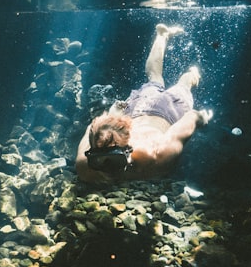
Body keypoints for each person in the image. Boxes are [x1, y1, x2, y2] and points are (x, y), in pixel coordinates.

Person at [76, 24, 213, 183]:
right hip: (137, 108)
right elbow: (92, 128)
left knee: (184, 84)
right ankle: (162, 35)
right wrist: (113, 116)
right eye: (97, 161)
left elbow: (192, 115)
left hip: (169, 110)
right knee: (154, 78)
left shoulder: (158, 156)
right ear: (90, 154)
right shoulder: (85, 165)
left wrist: (202, 118)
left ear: (128, 151)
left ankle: (192, 73)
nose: (108, 170)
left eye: (115, 160)